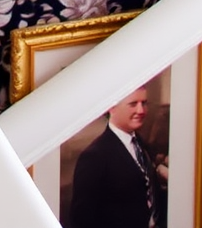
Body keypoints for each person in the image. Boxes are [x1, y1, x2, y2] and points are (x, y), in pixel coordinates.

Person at [69, 87, 167, 228]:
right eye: (133, 104)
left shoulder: (141, 144)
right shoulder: (94, 157)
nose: (141, 111)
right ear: (111, 107)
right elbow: (81, 221)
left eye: (144, 103)